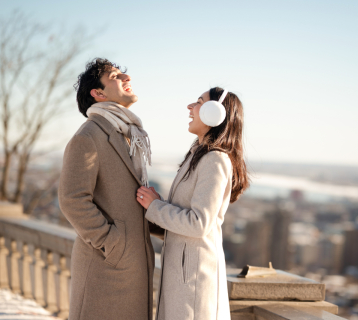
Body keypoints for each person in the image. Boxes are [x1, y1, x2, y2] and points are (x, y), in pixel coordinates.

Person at [136, 87, 250, 320]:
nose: (190, 107)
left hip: (194, 281)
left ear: (214, 113)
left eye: (198, 102)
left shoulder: (215, 160)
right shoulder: (197, 156)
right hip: (181, 276)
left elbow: (199, 224)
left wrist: (155, 207)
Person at [58, 58, 156, 320]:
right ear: (98, 94)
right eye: (115, 76)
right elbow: (72, 200)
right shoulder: (87, 136)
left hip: (131, 268)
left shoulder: (126, 133)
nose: (126, 77)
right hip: (105, 271)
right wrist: (114, 245)